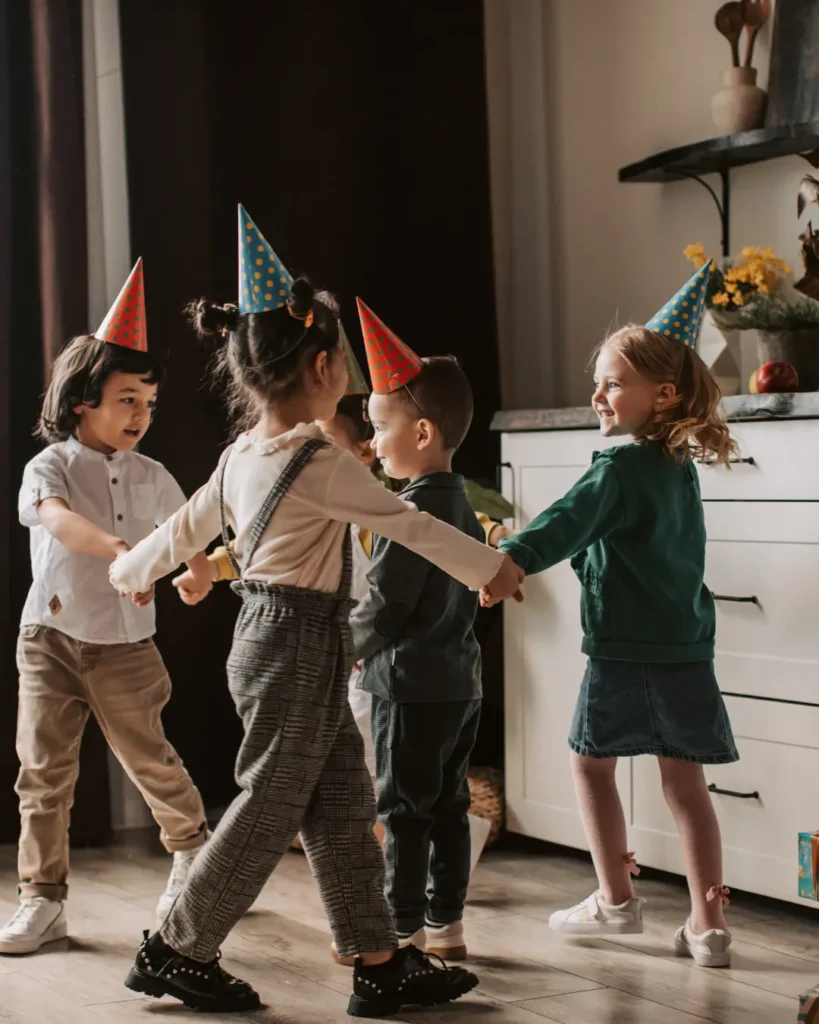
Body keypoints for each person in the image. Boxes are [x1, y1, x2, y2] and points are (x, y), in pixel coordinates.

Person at [109, 207, 523, 1016]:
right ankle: (178, 948)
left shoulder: (242, 454)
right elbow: (408, 523)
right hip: (298, 643)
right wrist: (492, 568)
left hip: (270, 639)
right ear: (328, 368)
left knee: (338, 801)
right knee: (269, 804)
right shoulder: (321, 460)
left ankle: (377, 960)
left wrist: (135, 569)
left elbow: (187, 523)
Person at [483, 262, 738, 968]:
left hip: (625, 651)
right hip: (686, 647)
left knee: (590, 768)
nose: (597, 394)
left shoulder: (619, 469)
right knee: (685, 784)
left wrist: (511, 561)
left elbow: (564, 524)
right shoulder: (676, 468)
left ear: (661, 394)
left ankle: (616, 902)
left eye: (612, 383)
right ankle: (707, 926)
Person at [0, 260, 210, 957]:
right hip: (50, 638)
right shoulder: (49, 468)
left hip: (125, 645)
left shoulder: (155, 476)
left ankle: (190, 857)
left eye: (148, 403)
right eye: (126, 400)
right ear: (82, 400)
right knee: (43, 772)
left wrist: (197, 573)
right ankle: (42, 899)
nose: (140, 416)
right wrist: (122, 550)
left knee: (150, 756)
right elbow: (55, 521)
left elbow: (191, 533)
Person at [348, 299, 494, 964]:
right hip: (460, 684)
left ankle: (401, 926)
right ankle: (448, 922)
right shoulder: (460, 503)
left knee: (401, 809)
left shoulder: (408, 517)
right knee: (448, 804)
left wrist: (346, 650)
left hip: (406, 685)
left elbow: (385, 605)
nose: (371, 443)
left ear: (424, 433)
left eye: (379, 427)